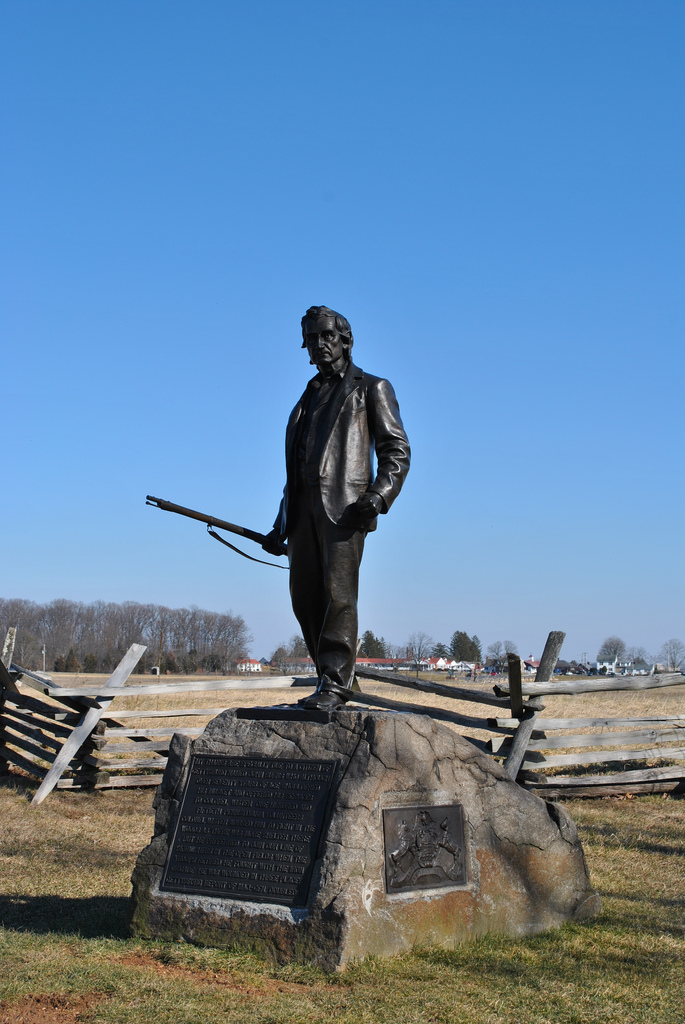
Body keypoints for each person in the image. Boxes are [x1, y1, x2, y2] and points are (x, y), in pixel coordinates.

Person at [262, 306, 410, 710]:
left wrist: (379, 495)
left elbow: (396, 450)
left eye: (328, 336)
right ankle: (328, 677)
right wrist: (281, 524)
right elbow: (295, 469)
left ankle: (335, 682)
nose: (320, 345)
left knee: (337, 594)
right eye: (312, 339)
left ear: (345, 340)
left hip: (346, 510)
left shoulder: (371, 388)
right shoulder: (307, 396)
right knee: (303, 596)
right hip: (303, 509)